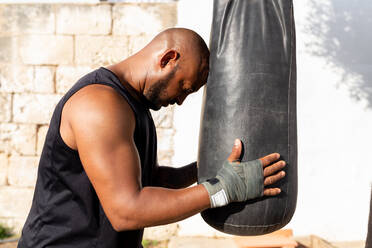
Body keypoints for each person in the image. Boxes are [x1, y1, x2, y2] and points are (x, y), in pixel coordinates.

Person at [17, 28, 286, 248]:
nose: (181, 101)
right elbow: (126, 211)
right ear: (168, 58)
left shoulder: (133, 105)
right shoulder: (99, 105)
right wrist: (222, 189)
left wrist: (207, 170)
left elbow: (150, 181)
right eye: (184, 87)